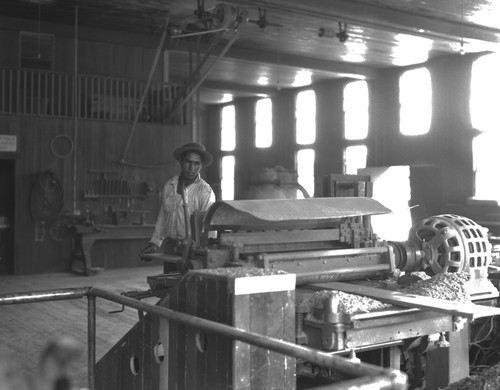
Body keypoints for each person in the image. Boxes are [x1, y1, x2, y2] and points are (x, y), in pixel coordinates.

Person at [139, 142, 216, 258]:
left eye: (196, 164)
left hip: (193, 249)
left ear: (201, 165)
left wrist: (208, 252)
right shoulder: (169, 186)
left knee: (188, 276)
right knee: (169, 276)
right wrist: (154, 243)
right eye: (188, 162)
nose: (192, 168)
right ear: (180, 161)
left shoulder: (205, 192)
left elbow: (210, 225)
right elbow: (163, 217)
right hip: (170, 246)